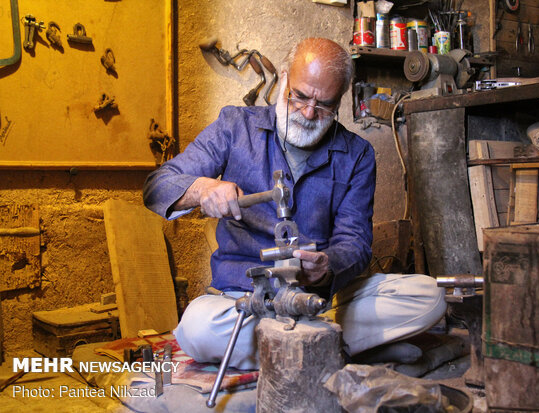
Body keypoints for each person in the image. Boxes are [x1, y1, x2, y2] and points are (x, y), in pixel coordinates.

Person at [143, 38, 446, 370]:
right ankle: (330, 348)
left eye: (325, 104)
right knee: (198, 328)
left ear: (341, 98)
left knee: (428, 296)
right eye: (299, 96)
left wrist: (326, 264)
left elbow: (356, 242)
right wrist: (201, 189)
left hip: (320, 300)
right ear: (284, 78)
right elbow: (158, 187)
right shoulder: (235, 127)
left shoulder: (356, 154)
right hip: (246, 300)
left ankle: (299, 348)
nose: (308, 113)